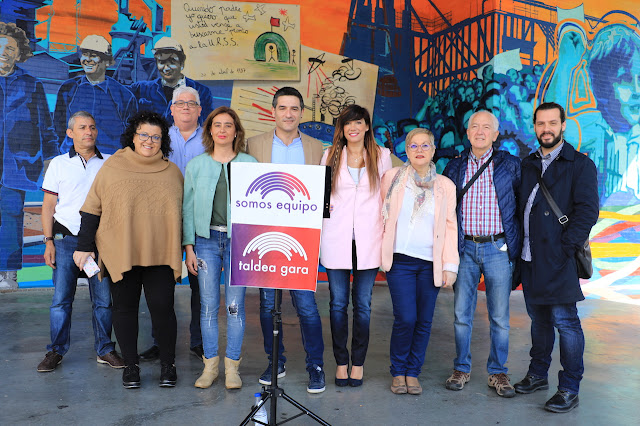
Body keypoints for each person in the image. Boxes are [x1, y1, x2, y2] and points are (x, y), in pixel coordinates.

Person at [73, 111, 183, 389]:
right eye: (143, 134)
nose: (149, 140)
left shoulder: (173, 172)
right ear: (133, 136)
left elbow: (184, 213)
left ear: (163, 141)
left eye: (156, 136)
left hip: (160, 254)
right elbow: (92, 208)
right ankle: (131, 367)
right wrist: (84, 246)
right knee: (124, 309)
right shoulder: (112, 167)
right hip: (121, 251)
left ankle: (168, 365)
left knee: (163, 309)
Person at [513, 102, 599, 413]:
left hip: (559, 259)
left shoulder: (579, 165)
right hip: (530, 257)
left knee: (566, 324)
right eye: (540, 123)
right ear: (534, 126)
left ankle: (569, 388)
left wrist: (565, 247)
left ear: (563, 125)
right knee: (539, 321)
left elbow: (588, 211)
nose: (546, 128)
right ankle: (537, 375)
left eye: (552, 123)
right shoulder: (529, 162)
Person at [246, 86, 326, 393]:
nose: (288, 114)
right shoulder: (255, 145)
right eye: (283, 108)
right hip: (265, 237)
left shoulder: (317, 148)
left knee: (306, 305)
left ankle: (315, 365)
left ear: (302, 113)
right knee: (268, 305)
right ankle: (275, 361)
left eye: (294, 109)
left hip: (302, 239)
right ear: (274, 111)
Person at [442, 110, 521, 398]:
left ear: (495, 134)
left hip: (497, 248)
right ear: (467, 132)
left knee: (499, 316)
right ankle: (461, 368)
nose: (480, 131)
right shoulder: (454, 166)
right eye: (474, 126)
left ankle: (498, 371)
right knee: (462, 314)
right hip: (464, 248)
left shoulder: (510, 165)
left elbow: (520, 206)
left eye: (486, 127)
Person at [37, 111, 123, 372]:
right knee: (61, 300)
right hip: (65, 242)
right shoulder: (59, 164)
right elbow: (48, 206)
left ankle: (105, 349)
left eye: (93, 127)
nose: (89, 132)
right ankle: (56, 351)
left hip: (100, 243)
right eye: (83, 127)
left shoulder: (109, 163)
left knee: (104, 300)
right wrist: (49, 241)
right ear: (70, 133)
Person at [183, 106, 257, 390]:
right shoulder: (197, 165)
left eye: (229, 125)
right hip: (206, 242)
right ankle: (210, 366)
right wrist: (188, 247)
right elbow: (187, 209)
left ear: (236, 131)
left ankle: (233, 368)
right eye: (217, 125)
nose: (223, 129)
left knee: (235, 307)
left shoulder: (250, 163)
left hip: (240, 242)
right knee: (208, 306)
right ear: (210, 131)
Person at [380, 128, 458, 395]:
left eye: (425, 145)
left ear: (434, 150)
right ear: (407, 150)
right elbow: (380, 216)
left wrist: (450, 265)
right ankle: (398, 371)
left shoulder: (445, 186)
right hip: (400, 260)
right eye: (414, 146)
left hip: (430, 263)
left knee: (424, 320)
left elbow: (450, 227)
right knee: (406, 317)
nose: (420, 150)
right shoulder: (392, 178)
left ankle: (413, 372)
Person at [320, 105, 392, 387]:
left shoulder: (381, 155)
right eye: (348, 123)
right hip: (336, 238)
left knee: (362, 305)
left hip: (369, 239)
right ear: (342, 127)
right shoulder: (329, 155)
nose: (353, 128)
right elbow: (322, 197)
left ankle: (358, 363)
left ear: (366, 126)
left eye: (358, 122)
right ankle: (341, 362)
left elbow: (388, 197)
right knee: (337, 304)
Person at [138, 86, 205, 362]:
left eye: (191, 103)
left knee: (201, 285)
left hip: (201, 220)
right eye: (180, 103)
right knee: (160, 285)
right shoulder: (158, 138)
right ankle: (159, 341)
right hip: (163, 220)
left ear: (200, 110)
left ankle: (200, 341)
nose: (186, 107)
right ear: (172, 109)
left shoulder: (211, 137)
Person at [0, 22, 58, 289]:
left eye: (9, 48)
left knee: (11, 215)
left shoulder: (31, 84)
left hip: (16, 163)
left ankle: (8, 273)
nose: (4, 52)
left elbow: (46, 126)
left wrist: (51, 160)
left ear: (18, 53)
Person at [53, 34, 138, 155]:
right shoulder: (68, 88)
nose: (87, 59)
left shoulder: (124, 95)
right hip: (73, 159)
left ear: (107, 62)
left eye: (93, 56)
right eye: (84, 54)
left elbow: (132, 135)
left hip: (108, 161)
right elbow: (58, 127)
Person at [129, 37, 214, 126]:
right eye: (161, 62)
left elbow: (206, 127)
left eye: (172, 62)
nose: (166, 68)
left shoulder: (202, 92)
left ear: (182, 63)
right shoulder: (141, 88)